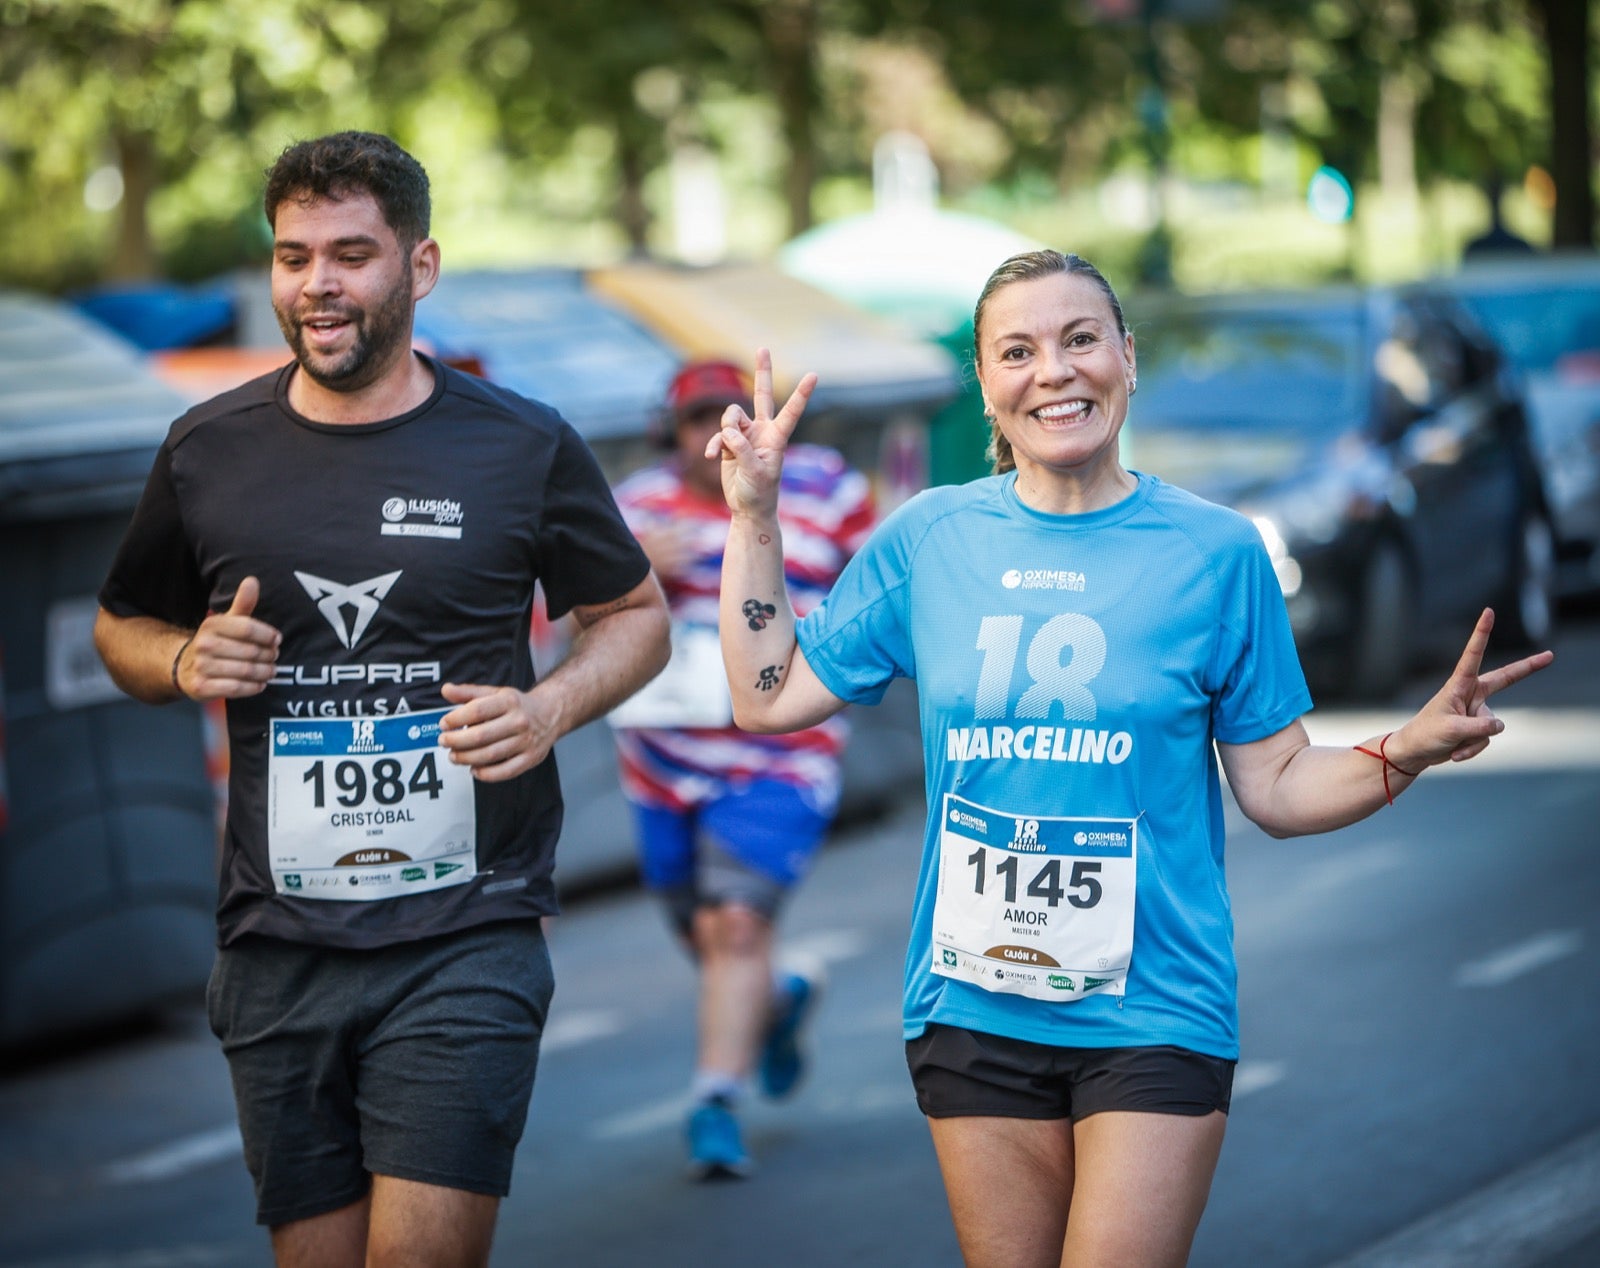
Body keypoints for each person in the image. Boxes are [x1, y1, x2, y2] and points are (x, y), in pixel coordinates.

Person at [704, 250, 1555, 1267]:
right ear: (984, 381)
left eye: (1079, 340)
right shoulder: (931, 539)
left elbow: (1276, 786)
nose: (1052, 371)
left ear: (1126, 358)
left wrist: (1404, 748)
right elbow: (766, 695)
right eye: (1016, 351)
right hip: (972, 1000)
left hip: (1153, 1006)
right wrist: (752, 516)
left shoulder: (1216, 551)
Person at [92, 131, 670, 1268]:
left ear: (420, 264)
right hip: (276, 941)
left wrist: (549, 707)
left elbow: (636, 613)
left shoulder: (519, 444)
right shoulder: (206, 448)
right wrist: (179, 662)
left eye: (352, 253)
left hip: (466, 928)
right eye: (293, 255)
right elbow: (122, 624)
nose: (318, 284)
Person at [606, 358, 875, 1179]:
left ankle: (714, 1101)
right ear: (670, 431)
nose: (714, 434)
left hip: (780, 757)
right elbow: (559, 619)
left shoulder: (827, 490)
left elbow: (882, 591)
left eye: (727, 415)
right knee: (705, 931)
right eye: (695, 420)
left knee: (735, 924)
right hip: (661, 766)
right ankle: (780, 994)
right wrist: (633, 567)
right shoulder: (633, 508)